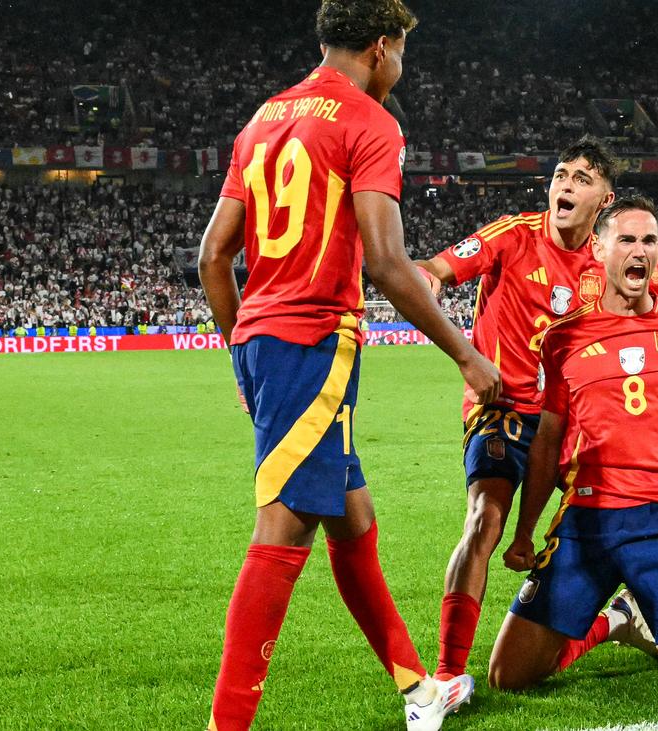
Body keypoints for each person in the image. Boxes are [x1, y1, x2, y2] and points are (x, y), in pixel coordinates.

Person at [196, 2, 499, 729]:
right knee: (284, 528)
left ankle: (419, 690)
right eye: (402, 54)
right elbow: (388, 264)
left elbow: (212, 256)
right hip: (314, 343)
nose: (401, 68)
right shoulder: (369, 121)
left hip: (266, 342)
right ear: (381, 47)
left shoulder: (263, 119)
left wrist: (243, 359)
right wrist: (467, 354)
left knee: (351, 516)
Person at [414, 138, 658, 683]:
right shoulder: (513, 235)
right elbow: (432, 270)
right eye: (561, 174)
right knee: (486, 518)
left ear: (604, 200)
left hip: (574, 423)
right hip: (505, 408)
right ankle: (448, 675)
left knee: (616, 512)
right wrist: (447, 324)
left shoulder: (615, 252)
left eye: (582, 179)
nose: (564, 185)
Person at [488, 197, 658, 703]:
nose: (640, 250)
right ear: (600, 249)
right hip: (586, 521)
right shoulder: (563, 339)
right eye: (626, 239)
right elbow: (546, 443)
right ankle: (619, 620)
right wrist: (524, 531)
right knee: (509, 674)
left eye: (649, 241)